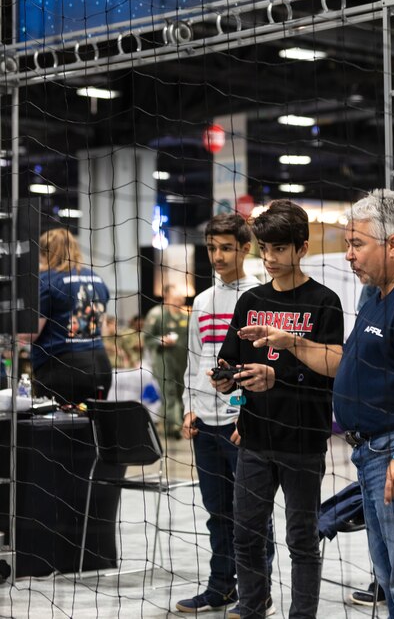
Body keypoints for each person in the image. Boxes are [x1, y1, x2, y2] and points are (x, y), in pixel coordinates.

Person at [239, 189, 394, 619]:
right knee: (390, 575)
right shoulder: (375, 294)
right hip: (371, 450)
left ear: (392, 244)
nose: (349, 256)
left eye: (357, 245)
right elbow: (343, 363)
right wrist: (292, 343)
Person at [213, 199, 344, 619]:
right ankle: (252, 607)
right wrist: (225, 378)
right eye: (264, 249)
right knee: (247, 534)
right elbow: (230, 359)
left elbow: (332, 369)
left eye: (279, 250)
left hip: (303, 441)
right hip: (254, 437)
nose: (269, 258)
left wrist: (279, 377)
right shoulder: (250, 300)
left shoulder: (324, 302)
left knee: (301, 538)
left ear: (301, 248)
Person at [176, 213, 274, 615]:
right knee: (217, 514)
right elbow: (194, 359)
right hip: (205, 424)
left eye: (226, 248)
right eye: (211, 248)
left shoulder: (261, 297)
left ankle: (258, 593)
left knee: (253, 515)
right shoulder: (201, 301)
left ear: (245, 247)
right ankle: (222, 587)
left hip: (242, 425)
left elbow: (265, 365)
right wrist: (189, 407)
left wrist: (246, 416)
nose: (217, 256)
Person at [30, 228, 112, 405]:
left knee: (60, 430)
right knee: (92, 428)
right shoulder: (96, 278)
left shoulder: (47, 280)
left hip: (63, 370)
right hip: (100, 365)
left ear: (45, 253)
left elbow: (30, 333)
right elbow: (102, 328)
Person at [143, 284, 189, 439]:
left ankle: (174, 423)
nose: (179, 301)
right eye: (175, 298)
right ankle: (175, 426)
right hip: (163, 360)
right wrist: (159, 340)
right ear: (167, 297)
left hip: (182, 361)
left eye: (180, 298)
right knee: (168, 392)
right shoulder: (156, 314)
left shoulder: (185, 317)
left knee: (181, 392)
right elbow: (147, 338)